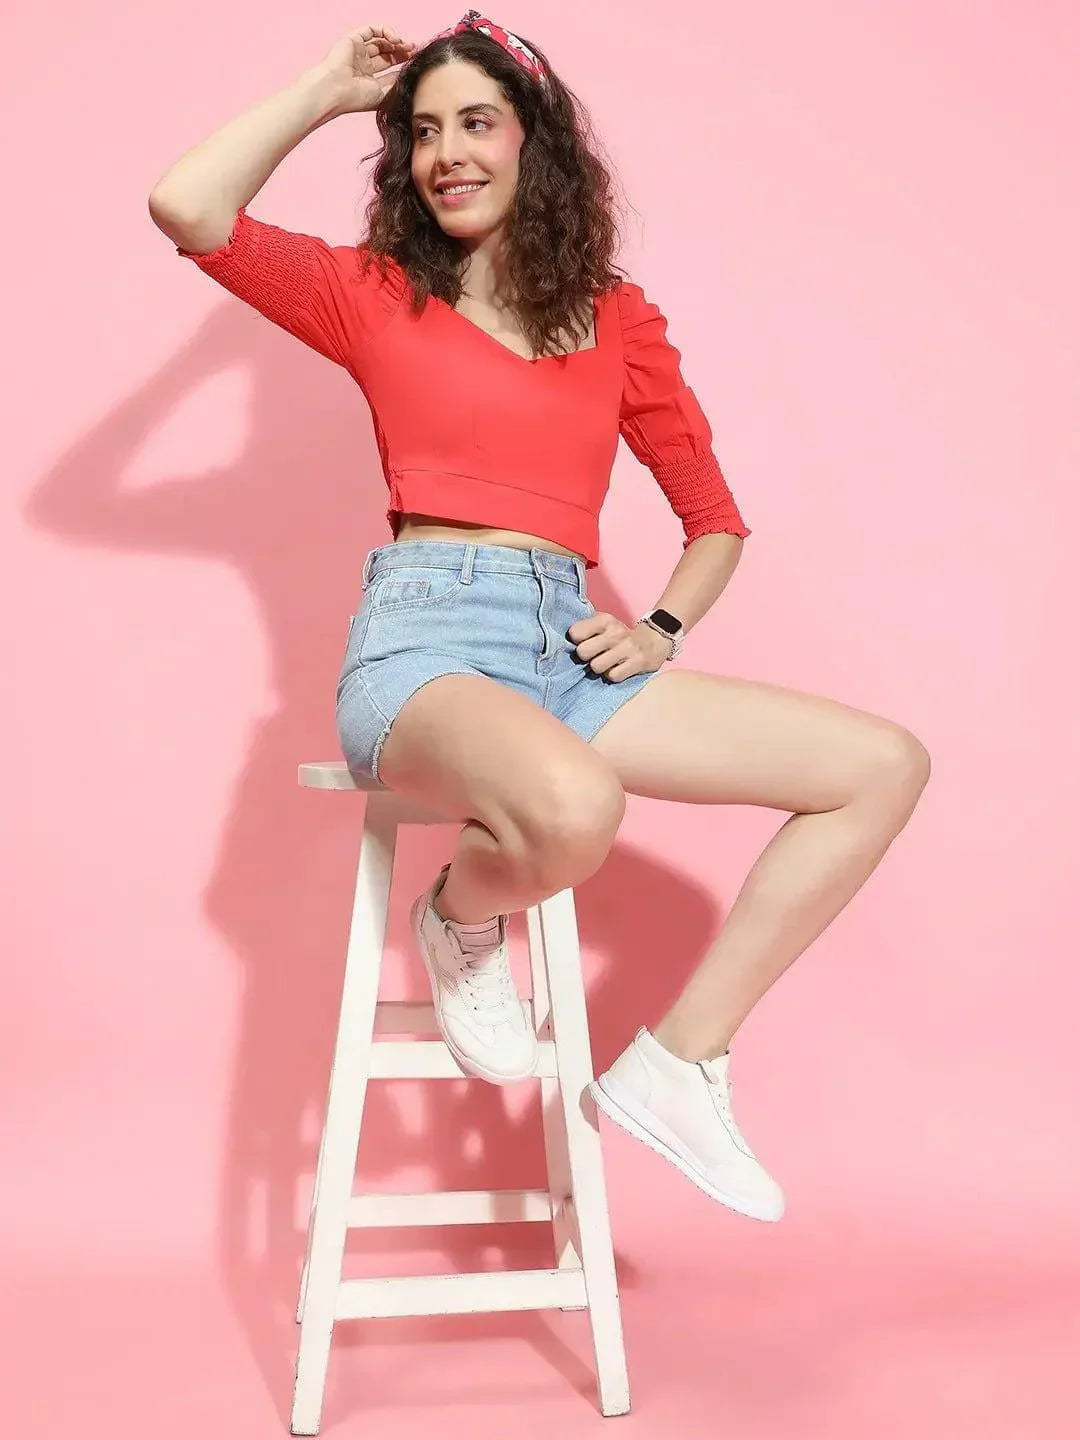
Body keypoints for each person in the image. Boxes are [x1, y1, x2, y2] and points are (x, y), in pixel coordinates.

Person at [149, 13, 931, 1224]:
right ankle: (460, 919)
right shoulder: (372, 295)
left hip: (565, 651)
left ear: (534, 140)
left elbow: (714, 520)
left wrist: (659, 628)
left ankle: (679, 1063)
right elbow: (189, 206)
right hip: (423, 645)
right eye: (422, 133)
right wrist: (323, 91)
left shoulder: (618, 320)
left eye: (476, 123)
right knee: (575, 808)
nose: (446, 154)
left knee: (880, 766)